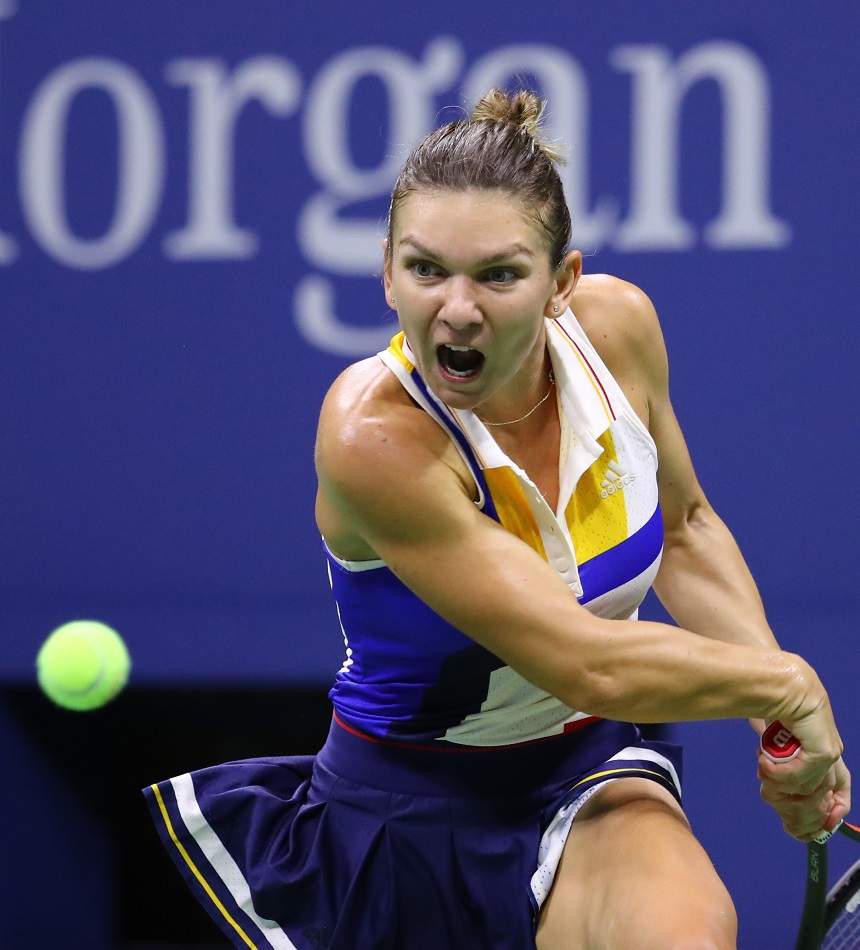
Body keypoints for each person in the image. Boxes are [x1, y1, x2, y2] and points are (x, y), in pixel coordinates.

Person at [144, 88, 850, 950]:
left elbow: (686, 530)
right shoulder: (374, 436)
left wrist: (776, 725)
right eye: (426, 269)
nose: (459, 308)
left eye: (500, 274)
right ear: (386, 271)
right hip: (394, 823)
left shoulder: (617, 332)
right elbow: (586, 662)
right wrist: (785, 687)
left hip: (583, 777)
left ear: (564, 282)